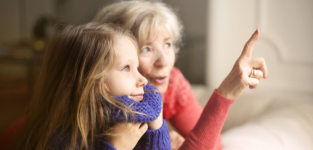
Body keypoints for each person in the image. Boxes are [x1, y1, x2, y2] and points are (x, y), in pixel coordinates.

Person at [92, 1, 267, 149]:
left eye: (167, 44)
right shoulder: (99, 99)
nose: (164, 61)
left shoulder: (173, 83)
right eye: (146, 48)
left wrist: (227, 91)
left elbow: (213, 144)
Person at [14, 22, 172, 150]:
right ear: (87, 81)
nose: (143, 80)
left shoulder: (136, 118)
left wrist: (157, 127)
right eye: (126, 68)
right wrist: (116, 147)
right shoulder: (60, 140)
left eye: (136, 67)